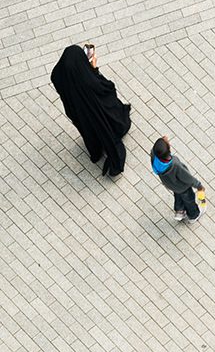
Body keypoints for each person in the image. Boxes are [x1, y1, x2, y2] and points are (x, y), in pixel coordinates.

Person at [50, 44, 133, 177]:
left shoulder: (58, 75)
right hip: (96, 109)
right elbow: (106, 88)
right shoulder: (86, 80)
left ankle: (95, 148)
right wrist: (94, 69)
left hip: (77, 112)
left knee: (88, 129)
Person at [147, 136, 205, 222]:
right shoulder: (175, 164)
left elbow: (157, 149)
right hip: (183, 186)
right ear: (169, 149)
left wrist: (162, 142)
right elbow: (187, 178)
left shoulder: (154, 156)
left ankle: (179, 211)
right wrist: (198, 185)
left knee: (178, 195)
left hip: (170, 184)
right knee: (189, 199)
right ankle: (193, 215)